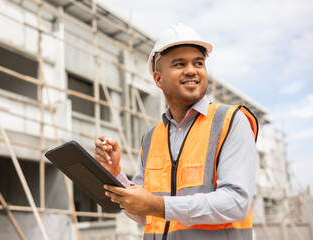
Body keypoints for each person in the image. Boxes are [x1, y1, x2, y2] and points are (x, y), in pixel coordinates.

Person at [93, 23, 258, 240]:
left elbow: (236, 203)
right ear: (158, 79)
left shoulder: (231, 121)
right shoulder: (151, 139)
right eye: (179, 64)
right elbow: (145, 214)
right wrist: (116, 174)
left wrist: (159, 205)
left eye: (198, 63)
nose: (191, 70)